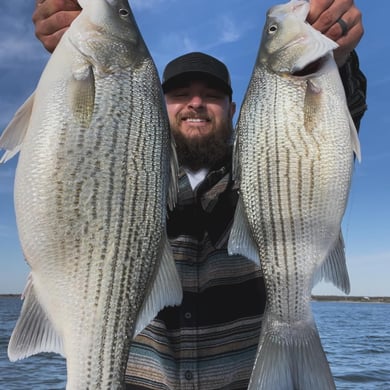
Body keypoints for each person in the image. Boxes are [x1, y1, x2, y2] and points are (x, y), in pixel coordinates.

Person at [32, 1, 367, 389]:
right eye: (179, 94)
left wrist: (338, 61)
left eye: (211, 94)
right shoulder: (128, 181)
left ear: (234, 109)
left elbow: (324, 134)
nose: (195, 103)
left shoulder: (261, 175)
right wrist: (70, 45)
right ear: (157, 106)